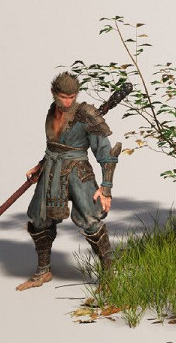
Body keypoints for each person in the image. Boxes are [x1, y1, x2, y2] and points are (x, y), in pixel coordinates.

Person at [16, 72, 121, 290]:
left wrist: (106, 188)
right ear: (53, 93)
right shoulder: (50, 112)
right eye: (64, 97)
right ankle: (43, 272)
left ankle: (110, 275)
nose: (68, 102)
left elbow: (106, 152)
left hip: (78, 173)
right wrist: (40, 165)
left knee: (91, 221)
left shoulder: (86, 114)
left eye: (72, 97)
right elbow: (54, 145)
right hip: (52, 170)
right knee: (39, 219)